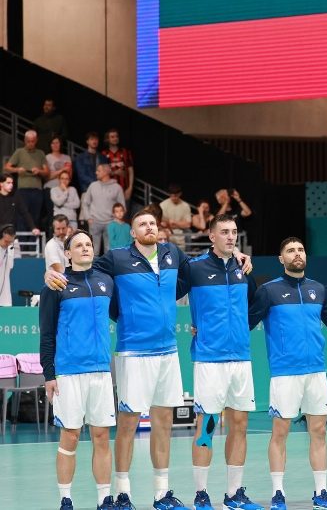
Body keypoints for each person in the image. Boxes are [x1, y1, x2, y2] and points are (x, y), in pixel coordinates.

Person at [45, 207, 253, 510]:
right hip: (133, 352)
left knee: (163, 423)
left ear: (160, 228)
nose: (148, 227)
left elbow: (195, 275)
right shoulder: (116, 258)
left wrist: (238, 258)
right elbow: (83, 268)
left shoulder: (173, 253)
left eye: (152, 223)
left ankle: (161, 493)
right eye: (142, 224)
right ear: (132, 232)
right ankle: (123, 493)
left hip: (168, 352)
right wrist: (52, 273)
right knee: (127, 424)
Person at [249, 237, 327, 510]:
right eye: (290, 251)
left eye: (300, 250)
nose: (297, 254)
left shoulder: (319, 290)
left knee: (319, 431)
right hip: (285, 373)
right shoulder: (268, 291)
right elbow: (246, 321)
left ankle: (322, 492)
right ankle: (278, 493)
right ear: (281, 259)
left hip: (316, 372)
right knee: (280, 432)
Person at [180, 214, 262, 510]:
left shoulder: (244, 268)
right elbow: (168, 290)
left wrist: (239, 327)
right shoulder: (194, 268)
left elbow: (256, 305)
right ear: (211, 236)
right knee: (207, 424)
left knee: (240, 423)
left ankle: (234, 494)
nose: (230, 237)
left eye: (234, 232)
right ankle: (201, 493)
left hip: (241, 357)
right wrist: (200, 325)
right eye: (224, 232)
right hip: (209, 359)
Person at [39, 230, 116, 510]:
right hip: (69, 373)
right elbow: (46, 334)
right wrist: (49, 374)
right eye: (78, 245)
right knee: (70, 436)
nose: (84, 248)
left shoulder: (106, 281)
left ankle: (104, 499)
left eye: (88, 244)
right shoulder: (56, 285)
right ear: (67, 254)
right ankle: (65, 499)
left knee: (101, 437)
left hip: (101, 372)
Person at [5, 129, 49, 230]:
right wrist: (17, 169)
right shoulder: (19, 152)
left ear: (36, 140)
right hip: (23, 190)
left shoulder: (40, 153)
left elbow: (47, 172)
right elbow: (6, 167)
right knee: (21, 216)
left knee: (36, 217)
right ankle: (22, 244)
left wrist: (39, 171)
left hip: (37, 190)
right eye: (28, 141)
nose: (30, 143)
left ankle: (34, 245)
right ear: (25, 140)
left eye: (32, 141)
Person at [81, 164, 124, 255]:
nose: (96, 172)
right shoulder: (93, 185)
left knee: (109, 250)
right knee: (93, 251)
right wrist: (88, 218)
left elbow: (122, 206)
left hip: (110, 223)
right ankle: (93, 269)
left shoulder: (117, 187)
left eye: (98, 171)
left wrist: (116, 221)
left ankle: (108, 269)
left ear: (106, 172)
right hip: (95, 222)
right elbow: (85, 203)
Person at [0, 172, 39, 236]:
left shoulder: (16, 196)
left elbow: (25, 212)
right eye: (8, 183)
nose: (11, 185)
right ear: (1, 184)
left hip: (11, 232)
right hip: (0, 232)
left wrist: (33, 227)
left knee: (16, 245)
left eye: (12, 183)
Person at [103, 129, 134, 201]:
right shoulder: (104, 154)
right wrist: (114, 172)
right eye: (112, 137)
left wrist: (130, 188)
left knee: (124, 212)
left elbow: (131, 171)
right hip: (109, 190)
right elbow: (102, 172)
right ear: (107, 139)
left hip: (124, 190)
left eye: (116, 136)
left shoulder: (125, 152)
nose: (115, 138)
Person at [0, 224, 20, 306]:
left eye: (11, 241)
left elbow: (10, 267)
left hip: (5, 295)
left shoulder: (11, 248)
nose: (8, 244)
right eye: (6, 241)